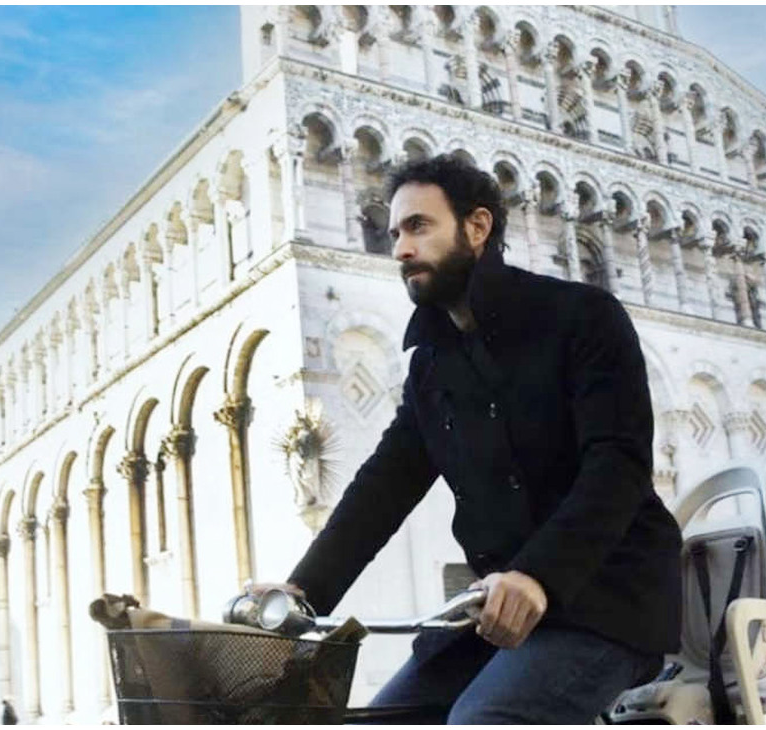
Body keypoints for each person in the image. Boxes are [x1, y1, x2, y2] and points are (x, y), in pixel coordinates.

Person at [250, 154, 681, 724]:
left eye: (418, 227)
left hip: (608, 604)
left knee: (481, 722)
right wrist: (302, 592)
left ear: (477, 227)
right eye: (395, 234)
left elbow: (618, 465)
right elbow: (384, 487)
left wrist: (538, 576)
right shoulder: (431, 364)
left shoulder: (582, 316)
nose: (401, 249)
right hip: (495, 614)